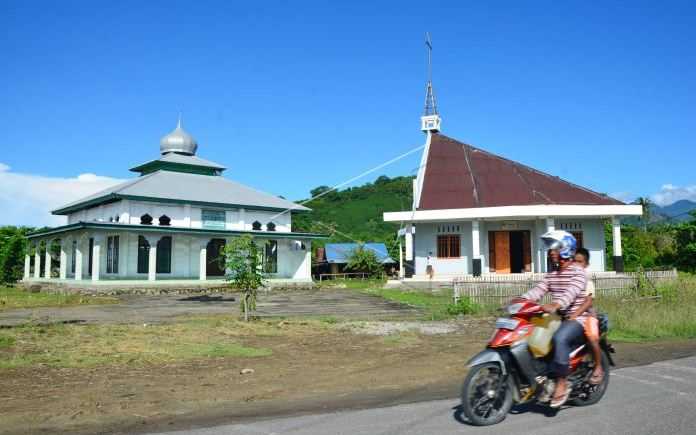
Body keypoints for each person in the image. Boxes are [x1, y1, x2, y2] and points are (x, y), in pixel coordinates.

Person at [519, 230, 588, 408]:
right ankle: (539, 378)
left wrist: (556, 304)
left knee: (559, 338)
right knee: (528, 333)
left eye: (555, 248)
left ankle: (562, 383)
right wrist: (520, 300)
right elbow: (539, 290)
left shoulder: (578, 272)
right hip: (557, 317)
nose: (551, 252)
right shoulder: (552, 273)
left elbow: (570, 293)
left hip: (576, 318)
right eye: (550, 248)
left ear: (566, 249)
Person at [570, 248, 604, 385]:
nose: (577, 265)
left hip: (586, 315)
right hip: (571, 316)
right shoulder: (569, 280)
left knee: (591, 336)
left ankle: (598, 367)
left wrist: (574, 315)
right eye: (574, 261)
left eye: (580, 262)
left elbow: (588, 302)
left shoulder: (587, 282)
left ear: (586, 264)